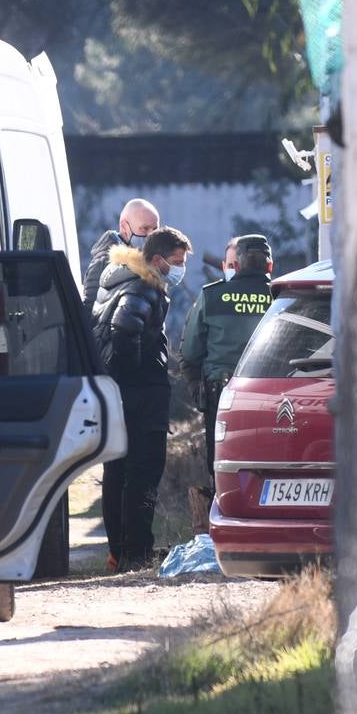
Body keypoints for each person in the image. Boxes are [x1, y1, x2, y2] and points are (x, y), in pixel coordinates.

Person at [92, 226, 192, 572]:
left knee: (117, 471)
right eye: (177, 262)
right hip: (141, 393)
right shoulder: (143, 287)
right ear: (157, 260)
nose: (180, 269)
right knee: (143, 473)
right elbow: (124, 329)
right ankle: (136, 552)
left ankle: (119, 551)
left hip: (119, 391)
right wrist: (138, 374)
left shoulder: (119, 279)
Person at [180, 234, 274, 514]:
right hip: (275, 398)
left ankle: (227, 522)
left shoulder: (212, 295)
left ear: (238, 266)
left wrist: (197, 388)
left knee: (223, 467)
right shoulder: (284, 296)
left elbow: (190, 353)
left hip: (222, 396)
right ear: (270, 267)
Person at [81, 199, 161, 315]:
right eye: (144, 228)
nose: (150, 236)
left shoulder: (147, 262)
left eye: (154, 230)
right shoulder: (104, 262)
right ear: (124, 227)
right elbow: (89, 313)